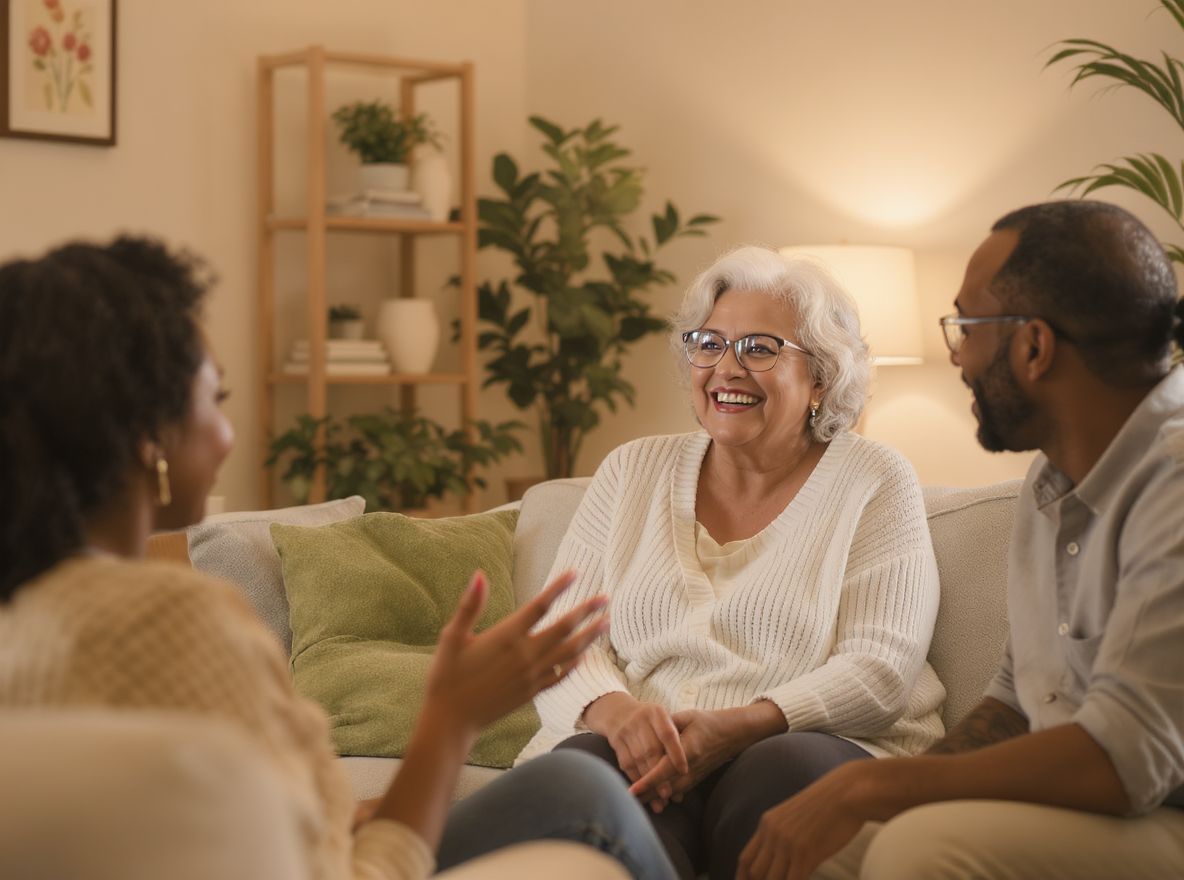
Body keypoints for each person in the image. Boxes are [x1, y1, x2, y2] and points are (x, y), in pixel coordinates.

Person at [0, 236, 679, 880]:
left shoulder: (27, 618)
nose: (230, 433)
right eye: (217, 399)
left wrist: (353, 811)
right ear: (151, 439)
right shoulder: (171, 621)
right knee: (583, 795)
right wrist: (451, 717)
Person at [736, 200, 1184, 880]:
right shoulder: (1050, 482)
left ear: (1034, 346)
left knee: (920, 849)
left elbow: (1126, 756)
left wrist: (874, 787)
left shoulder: (1174, 484)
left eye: (966, 327)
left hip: (1160, 811)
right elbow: (1015, 699)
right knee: (828, 845)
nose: (956, 354)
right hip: (1108, 806)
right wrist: (868, 800)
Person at [516, 245, 946, 880]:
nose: (726, 368)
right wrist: (618, 714)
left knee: (784, 772)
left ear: (821, 376)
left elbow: (881, 668)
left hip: (800, 748)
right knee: (585, 770)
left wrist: (741, 726)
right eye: (708, 343)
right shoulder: (632, 469)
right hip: (647, 754)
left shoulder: (874, 479)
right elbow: (556, 636)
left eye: (760, 349)